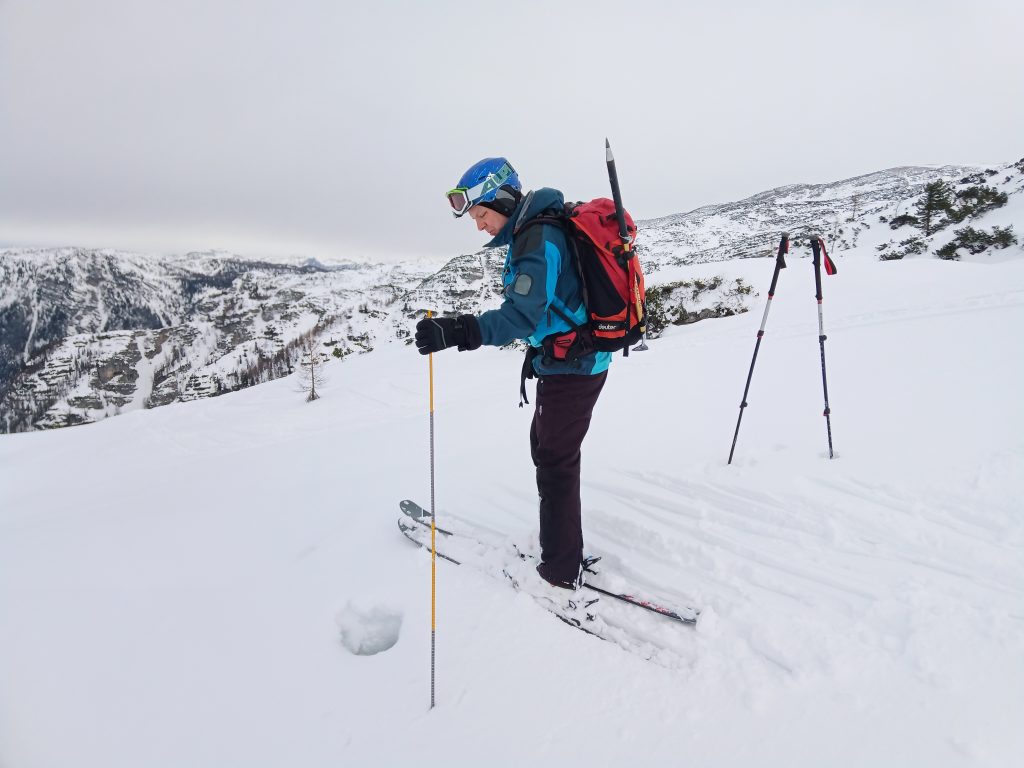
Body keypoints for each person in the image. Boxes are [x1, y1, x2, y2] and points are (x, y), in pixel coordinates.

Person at [414, 157, 611, 594]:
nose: (480, 227)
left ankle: (560, 571)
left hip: (573, 365)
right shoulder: (536, 229)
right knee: (550, 453)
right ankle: (565, 552)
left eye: (482, 215)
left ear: (502, 198)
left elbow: (522, 316)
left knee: (555, 462)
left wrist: (459, 329)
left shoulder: (536, 238)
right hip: (570, 360)